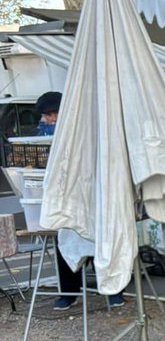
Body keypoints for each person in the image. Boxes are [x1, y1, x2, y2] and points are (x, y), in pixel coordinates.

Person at [32, 90, 126, 311]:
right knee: (66, 241)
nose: (46, 120)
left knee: (99, 241)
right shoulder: (50, 134)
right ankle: (69, 292)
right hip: (67, 197)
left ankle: (113, 289)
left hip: (94, 193)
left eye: (47, 115)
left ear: (56, 113)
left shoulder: (86, 126)